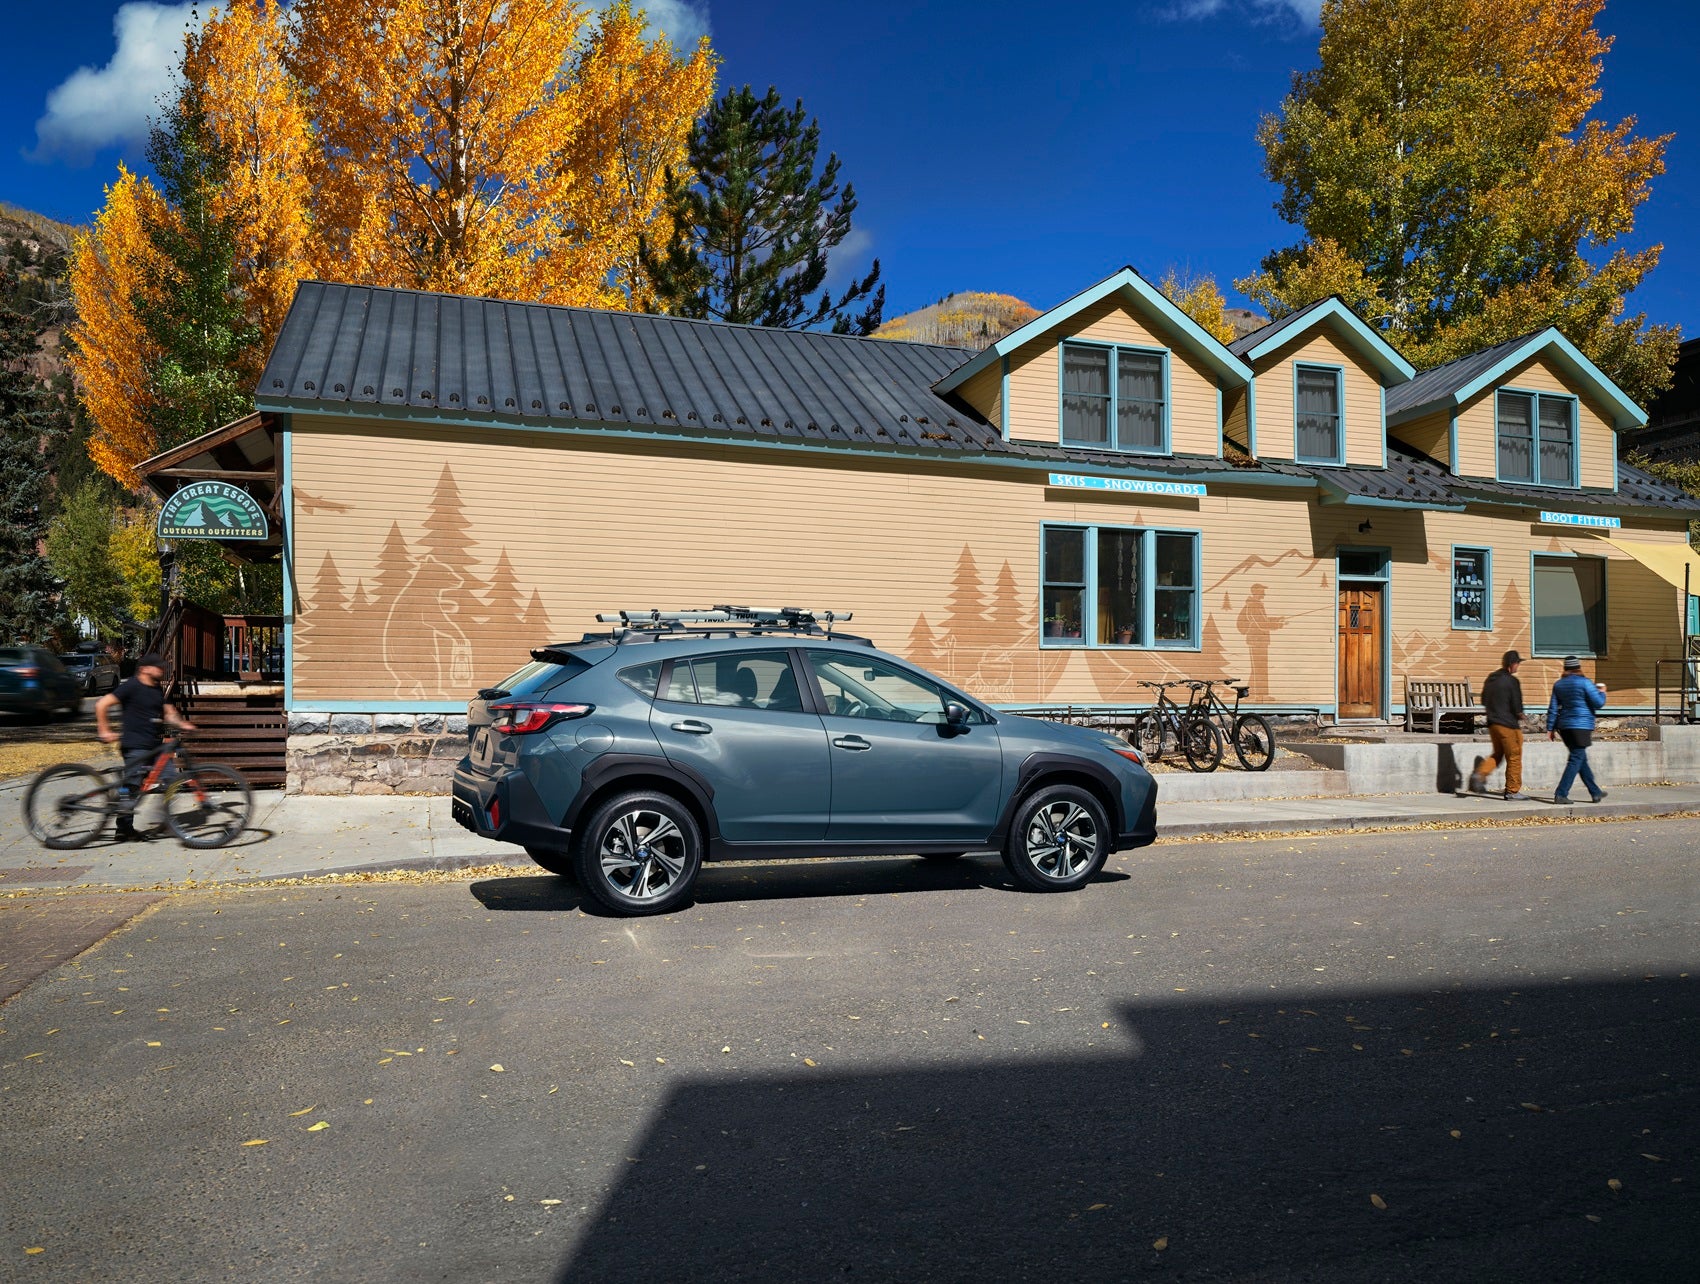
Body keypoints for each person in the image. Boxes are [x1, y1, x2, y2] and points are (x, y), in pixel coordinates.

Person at [95, 653, 196, 840]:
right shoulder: (132, 686)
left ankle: (166, 821)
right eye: (158, 667)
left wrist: (182, 724)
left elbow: (168, 711)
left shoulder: (156, 688)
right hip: (135, 746)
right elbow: (102, 704)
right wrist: (104, 730)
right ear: (145, 669)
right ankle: (123, 828)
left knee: (171, 781)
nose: (162, 670)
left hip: (156, 747)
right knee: (132, 788)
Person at [1546, 655, 1608, 805]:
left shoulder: (1559, 685)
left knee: (1580, 759)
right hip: (1581, 726)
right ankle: (1561, 793)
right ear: (1578, 667)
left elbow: (1553, 708)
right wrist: (1602, 692)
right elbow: (1598, 703)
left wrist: (1550, 728)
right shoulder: (1585, 683)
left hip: (1565, 727)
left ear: (1565, 668)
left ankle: (1595, 792)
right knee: (1576, 759)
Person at [1470, 649, 1528, 799]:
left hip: (1493, 724)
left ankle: (1480, 774)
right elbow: (1517, 706)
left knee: (1498, 753)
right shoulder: (1512, 681)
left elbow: (1483, 700)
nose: (1518, 667)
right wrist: (1521, 714)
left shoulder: (1491, 678)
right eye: (1517, 663)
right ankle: (1512, 791)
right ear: (1512, 664)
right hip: (1508, 724)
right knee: (1514, 756)